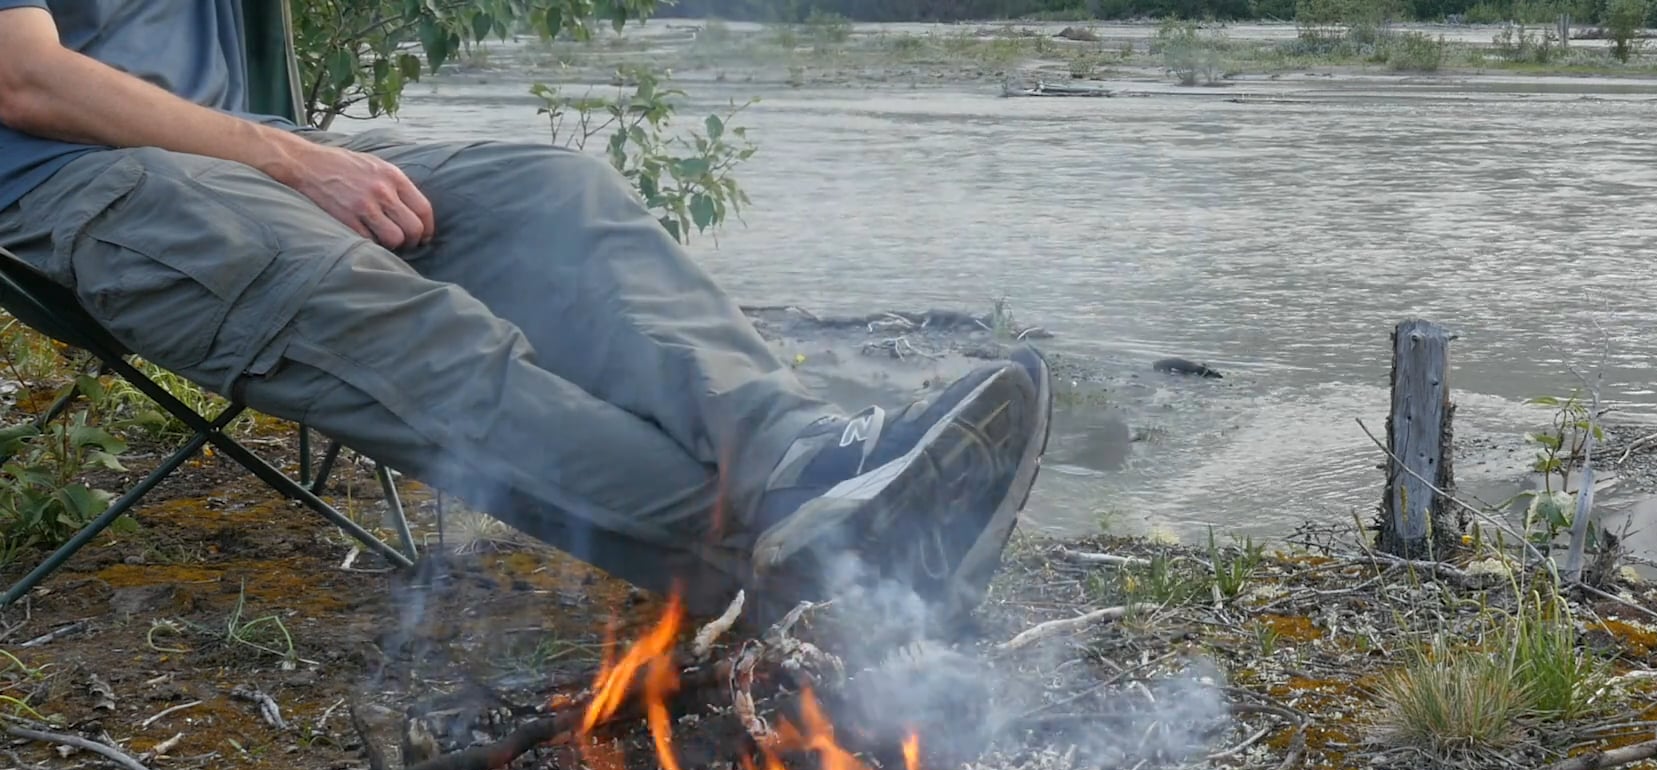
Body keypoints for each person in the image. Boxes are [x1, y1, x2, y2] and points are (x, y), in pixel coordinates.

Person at [0, 0, 1053, 622]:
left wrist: (285, 154)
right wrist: (293, 160)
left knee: (557, 197)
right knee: (402, 323)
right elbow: (22, 77)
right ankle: (803, 573)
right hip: (76, 184)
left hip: (235, 145)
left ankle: (802, 460)